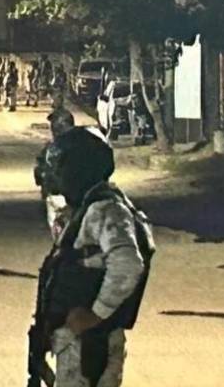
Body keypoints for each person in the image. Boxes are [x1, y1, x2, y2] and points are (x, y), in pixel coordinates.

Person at [35, 126, 155, 387]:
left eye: (60, 168)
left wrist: (95, 314)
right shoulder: (86, 207)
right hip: (79, 340)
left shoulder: (106, 209)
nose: (56, 176)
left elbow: (128, 264)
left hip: (91, 342)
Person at [34, 107, 75, 240]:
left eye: (55, 125)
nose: (53, 129)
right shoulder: (51, 147)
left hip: (69, 196)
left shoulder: (58, 147)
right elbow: (40, 171)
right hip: (59, 195)